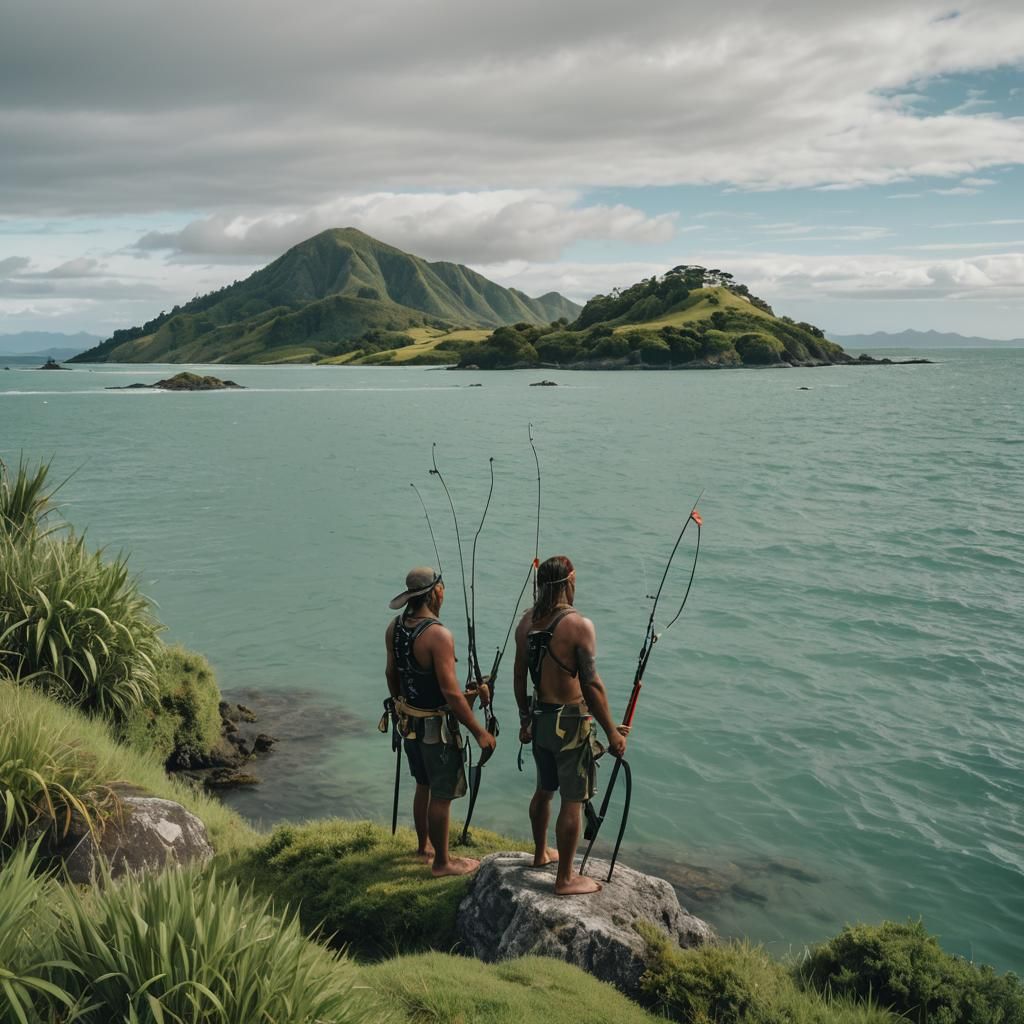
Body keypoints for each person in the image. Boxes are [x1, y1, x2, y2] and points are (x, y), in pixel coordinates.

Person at [513, 555, 627, 894]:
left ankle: (538, 855)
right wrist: (612, 732)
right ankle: (564, 878)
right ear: (569, 582)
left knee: (544, 790)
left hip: (540, 719)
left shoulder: (526, 623)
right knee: (572, 799)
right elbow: (591, 686)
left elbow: (519, 676)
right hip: (570, 723)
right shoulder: (579, 626)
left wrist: (524, 718)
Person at [385, 566, 497, 877]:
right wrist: (479, 731)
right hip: (437, 731)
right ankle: (442, 863)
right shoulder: (438, 635)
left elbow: (392, 674)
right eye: (442, 588)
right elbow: (449, 693)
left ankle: (425, 846)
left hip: (409, 724)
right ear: (436, 592)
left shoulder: (395, 628)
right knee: (442, 793)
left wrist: (400, 706)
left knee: (423, 784)